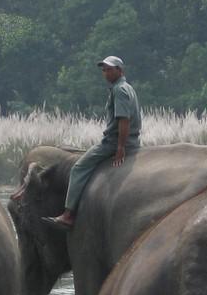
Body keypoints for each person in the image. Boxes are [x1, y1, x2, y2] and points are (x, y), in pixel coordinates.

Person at [45, 55, 141, 228]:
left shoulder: (119, 90)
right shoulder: (127, 88)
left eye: (110, 69)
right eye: (104, 70)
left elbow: (123, 120)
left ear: (120, 70)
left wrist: (120, 147)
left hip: (113, 142)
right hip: (128, 140)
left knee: (79, 168)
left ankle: (68, 214)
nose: (106, 73)